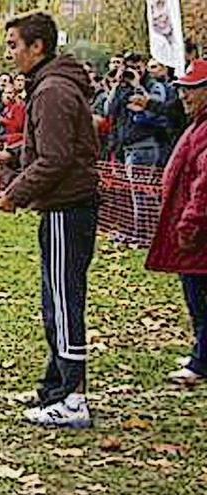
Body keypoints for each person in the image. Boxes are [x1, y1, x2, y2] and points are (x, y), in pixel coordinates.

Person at [0, 12, 99, 428]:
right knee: (55, 301)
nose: (10, 53)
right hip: (64, 207)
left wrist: (15, 194)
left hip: (68, 209)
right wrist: (14, 155)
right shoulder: (51, 85)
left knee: (64, 304)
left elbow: (56, 158)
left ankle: (72, 397)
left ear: (38, 47)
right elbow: (53, 145)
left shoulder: (51, 90)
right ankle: (57, 388)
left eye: (15, 45)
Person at [145, 59, 207, 383]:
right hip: (193, 229)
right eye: (182, 90)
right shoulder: (197, 124)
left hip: (199, 233)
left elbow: (205, 186)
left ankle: (201, 362)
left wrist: (189, 224)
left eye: (191, 90)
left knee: (201, 298)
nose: (184, 96)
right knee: (195, 295)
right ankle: (202, 352)